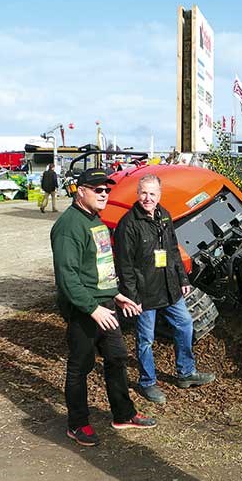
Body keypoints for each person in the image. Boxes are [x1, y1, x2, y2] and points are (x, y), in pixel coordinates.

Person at [50, 168, 157, 447]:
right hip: (84, 310)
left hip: (106, 305)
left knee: (117, 359)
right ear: (80, 191)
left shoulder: (94, 219)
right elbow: (67, 277)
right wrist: (91, 308)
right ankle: (77, 424)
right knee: (80, 367)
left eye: (106, 190)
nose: (104, 194)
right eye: (98, 190)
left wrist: (116, 295)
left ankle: (123, 414)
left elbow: (98, 268)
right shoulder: (68, 227)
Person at [113, 174, 215, 404]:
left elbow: (173, 251)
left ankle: (186, 373)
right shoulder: (128, 224)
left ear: (159, 195)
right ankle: (147, 382)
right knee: (145, 339)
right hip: (144, 293)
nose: (147, 198)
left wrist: (183, 279)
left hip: (169, 287)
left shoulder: (164, 216)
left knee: (186, 325)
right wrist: (132, 297)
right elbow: (124, 265)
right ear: (138, 193)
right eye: (144, 193)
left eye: (152, 194)